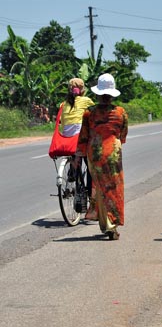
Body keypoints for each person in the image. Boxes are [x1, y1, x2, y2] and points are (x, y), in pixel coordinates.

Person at [76, 73, 128, 240]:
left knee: (99, 188)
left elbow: (83, 137)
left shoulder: (88, 113)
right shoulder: (121, 112)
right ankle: (112, 225)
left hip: (95, 155)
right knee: (114, 188)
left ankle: (106, 224)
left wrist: (78, 157)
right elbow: (123, 135)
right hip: (113, 153)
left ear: (98, 94)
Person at [61, 78, 95, 215]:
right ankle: (90, 195)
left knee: (76, 154)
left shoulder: (63, 104)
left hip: (67, 137)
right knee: (90, 164)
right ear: (83, 90)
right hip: (80, 138)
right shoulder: (86, 101)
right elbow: (94, 115)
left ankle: (72, 171)